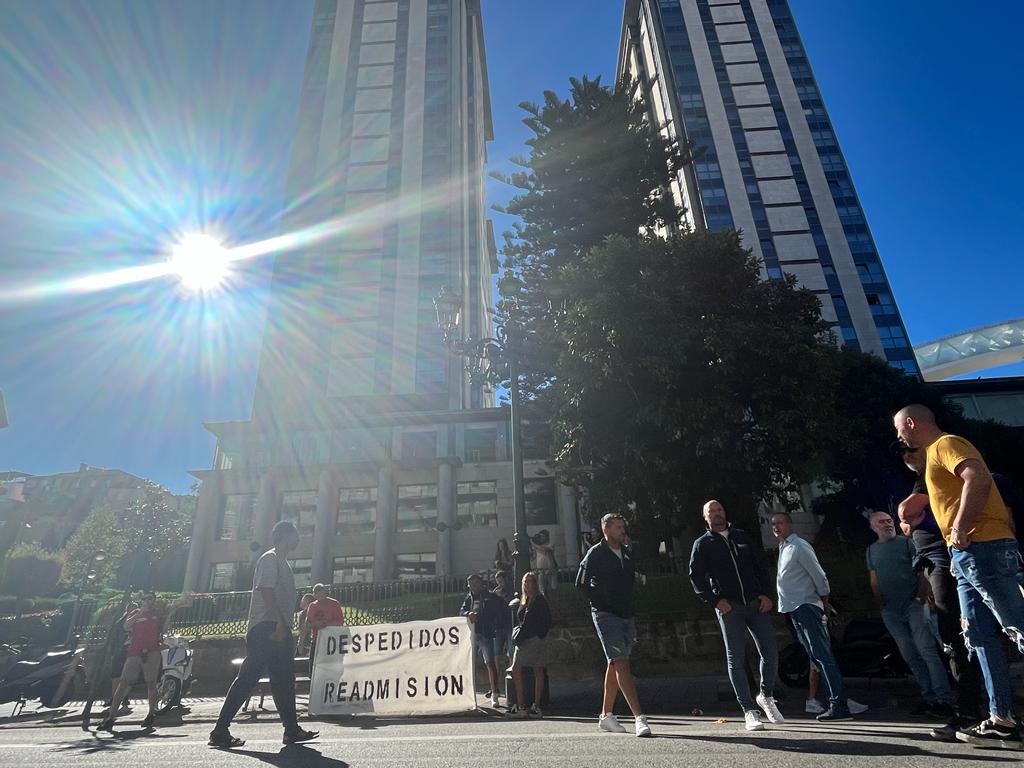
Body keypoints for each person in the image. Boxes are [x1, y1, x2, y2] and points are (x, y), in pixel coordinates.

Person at [894, 404, 1024, 748]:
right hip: (965, 555)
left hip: (984, 546)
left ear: (911, 423)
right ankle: (1002, 719)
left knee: (1016, 626)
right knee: (978, 637)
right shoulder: (933, 457)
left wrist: (961, 528)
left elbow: (977, 478)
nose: (899, 438)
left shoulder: (946, 444)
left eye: (899, 430)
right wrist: (955, 551)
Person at [897, 444, 986, 740]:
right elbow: (909, 522)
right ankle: (974, 709)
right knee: (955, 635)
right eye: (903, 453)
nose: (907, 455)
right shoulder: (925, 480)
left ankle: (973, 712)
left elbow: (907, 512)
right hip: (932, 564)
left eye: (910, 448)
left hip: (944, 558)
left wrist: (906, 515)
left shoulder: (934, 473)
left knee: (959, 635)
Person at [208, 521, 318, 748]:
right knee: (249, 677)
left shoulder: (282, 561)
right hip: (267, 628)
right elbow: (265, 589)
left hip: (279, 627)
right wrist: (279, 622)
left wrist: (284, 626)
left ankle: (291, 730)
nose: (298, 540)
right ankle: (220, 730)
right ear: (285, 536)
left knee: (284, 681)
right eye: (296, 535)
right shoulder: (270, 558)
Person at [689, 500, 782, 731]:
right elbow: (696, 577)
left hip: (755, 602)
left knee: (770, 652)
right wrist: (716, 601)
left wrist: (766, 594)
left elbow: (760, 565)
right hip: (729, 607)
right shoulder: (702, 544)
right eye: (712, 511)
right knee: (736, 659)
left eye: (720, 509)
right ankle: (749, 710)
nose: (717, 513)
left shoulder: (742, 536)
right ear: (705, 517)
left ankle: (766, 695)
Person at [771, 511, 861, 721]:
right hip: (794, 608)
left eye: (781, 522)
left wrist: (826, 602)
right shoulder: (784, 548)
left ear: (790, 524)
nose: (777, 527)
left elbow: (819, 575)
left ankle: (839, 704)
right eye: (774, 524)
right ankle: (836, 701)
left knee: (823, 656)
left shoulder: (799, 546)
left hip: (806, 606)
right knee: (816, 657)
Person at [866, 510, 954, 718]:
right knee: (910, 655)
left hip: (914, 605)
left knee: (927, 651)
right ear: (873, 527)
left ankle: (944, 699)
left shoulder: (906, 543)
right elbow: (874, 579)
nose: (887, 524)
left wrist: (920, 598)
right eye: (881, 522)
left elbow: (922, 570)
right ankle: (929, 697)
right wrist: (881, 604)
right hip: (891, 611)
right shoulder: (871, 551)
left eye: (889, 520)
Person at [576, 512, 651, 737]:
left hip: (626, 613)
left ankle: (606, 715)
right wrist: (599, 601)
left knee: (614, 664)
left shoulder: (626, 553)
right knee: (622, 663)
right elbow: (581, 582)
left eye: (622, 527)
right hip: (606, 614)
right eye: (617, 527)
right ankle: (640, 717)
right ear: (606, 529)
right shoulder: (596, 553)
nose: (622, 530)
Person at [99, 593, 169, 731]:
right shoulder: (136, 612)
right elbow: (126, 626)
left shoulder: (157, 614)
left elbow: (164, 629)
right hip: (134, 651)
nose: (149, 601)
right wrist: (141, 611)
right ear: (142, 601)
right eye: (146, 599)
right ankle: (111, 717)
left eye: (151, 599)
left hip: (152, 651)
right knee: (123, 682)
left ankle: (151, 714)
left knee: (151, 683)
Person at [508, 571, 552, 718]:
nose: (529, 584)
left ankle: (536, 705)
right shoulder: (524, 600)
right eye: (526, 582)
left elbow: (546, 620)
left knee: (537, 670)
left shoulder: (539, 600)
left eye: (532, 581)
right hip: (524, 640)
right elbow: (521, 619)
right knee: (517, 669)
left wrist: (540, 635)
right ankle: (522, 705)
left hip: (534, 639)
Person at [459, 573, 506, 708]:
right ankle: (469, 694)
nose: (474, 587)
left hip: (486, 633)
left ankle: (495, 693)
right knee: (469, 663)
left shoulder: (489, 596)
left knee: (490, 663)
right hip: (472, 634)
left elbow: (499, 609)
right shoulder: (468, 598)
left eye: (476, 583)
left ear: (481, 583)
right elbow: (461, 610)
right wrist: (468, 614)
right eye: (471, 584)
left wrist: (492, 621)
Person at [304, 584, 344, 677]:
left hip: (331, 640)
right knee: (314, 666)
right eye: (318, 595)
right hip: (316, 640)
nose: (321, 597)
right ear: (315, 596)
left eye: (322, 594)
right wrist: (316, 624)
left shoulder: (334, 604)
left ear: (326, 593)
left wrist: (325, 624)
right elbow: (307, 625)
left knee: (332, 667)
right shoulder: (312, 606)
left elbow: (340, 622)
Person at [104, 601, 137, 712]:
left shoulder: (138, 621)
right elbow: (114, 637)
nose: (132, 611)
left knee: (128, 676)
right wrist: (112, 651)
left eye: (135, 609)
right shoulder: (120, 622)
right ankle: (114, 698)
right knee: (116, 675)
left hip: (131, 650)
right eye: (131, 609)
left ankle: (124, 697)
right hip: (120, 650)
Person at [493, 570, 515, 680]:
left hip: (509, 625)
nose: (499, 584)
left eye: (501, 581)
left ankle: (512, 676)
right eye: (498, 582)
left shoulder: (512, 590)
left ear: (506, 579)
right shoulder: (496, 591)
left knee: (510, 652)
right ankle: (496, 679)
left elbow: (512, 603)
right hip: (498, 626)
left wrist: (504, 596)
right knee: (495, 654)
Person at [295, 593, 314, 657]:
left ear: (307, 602)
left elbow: (303, 630)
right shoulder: (315, 612)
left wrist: (300, 644)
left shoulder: (303, 614)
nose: (301, 601)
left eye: (303, 600)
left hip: (305, 643)